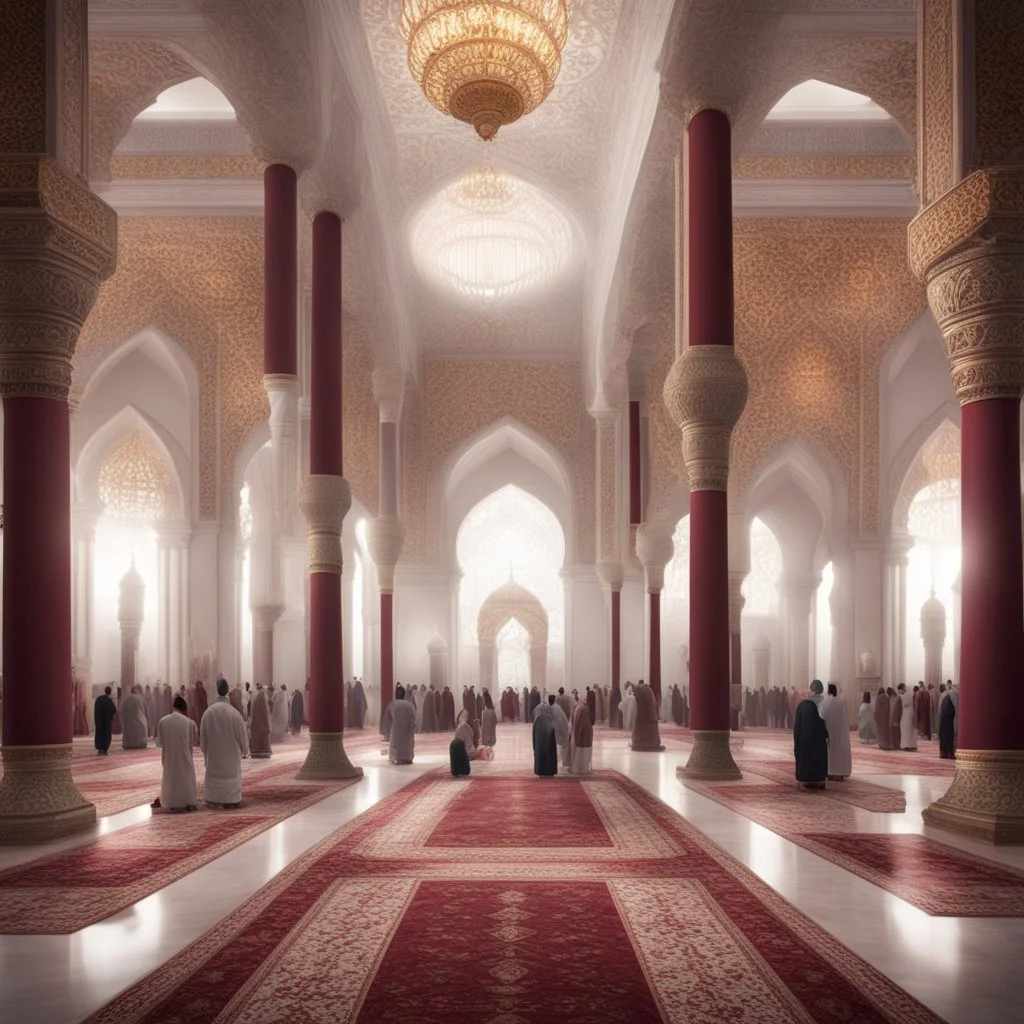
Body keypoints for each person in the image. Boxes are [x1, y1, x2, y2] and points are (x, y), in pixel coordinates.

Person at [200, 678, 250, 808]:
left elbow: (203, 739)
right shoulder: (234, 714)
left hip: (214, 760)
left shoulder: (208, 713)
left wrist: (205, 751)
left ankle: (214, 799)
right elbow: (243, 739)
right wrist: (245, 750)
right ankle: (231, 800)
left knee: (213, 780)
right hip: (231, 762)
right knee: (232, 778)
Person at [152, 695, 198, 812]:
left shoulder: (162, 721)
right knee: (185, 779)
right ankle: (187, 801)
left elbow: (159, 744)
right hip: (185, 758)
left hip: (169, 760)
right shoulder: (189, 723)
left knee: (170, 779)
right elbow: (192, 743)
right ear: (184, 708)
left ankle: (170, 801)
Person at [794, 695, 828, 789]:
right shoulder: (820, 723)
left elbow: (796, 744)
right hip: (819, 777)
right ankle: (817, 780)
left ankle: (805, 780)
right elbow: (826, 735)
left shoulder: (800, 728)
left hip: (803, 777)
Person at [819, 683, 852, 780]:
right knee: (839, 750)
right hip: (840, 731)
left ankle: (830, 771)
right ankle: (840, 771)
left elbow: (821, 716)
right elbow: (845, 717)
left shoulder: (824, 703)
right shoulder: (841, 702)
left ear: (828, 691)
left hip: (829, 731)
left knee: (830, 751)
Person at [381, 684, 416, 765]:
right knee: (407, 744)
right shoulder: (409, 704)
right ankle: (407, 758)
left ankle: (396, 758)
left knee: (396, 745)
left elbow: (387, 720)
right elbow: (413, 717)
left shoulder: (392, 704)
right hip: (407, 730)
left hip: (396, 730)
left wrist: (387, 732)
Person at [630, 680, 664, 751]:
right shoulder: (648, 690)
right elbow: (653, 704)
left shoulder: (641, 691)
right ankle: (650, 743)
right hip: (650, 717)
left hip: (642, 718)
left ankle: (642, 743)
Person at [532, 698, 557, 777]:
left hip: (538, 731)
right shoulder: (549, 709)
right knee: (550, 750)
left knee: (539, 750)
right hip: (549, 731)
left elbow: (533, 719)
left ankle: (540, 770)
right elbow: (553, 720)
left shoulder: (537, 709)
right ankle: (550, 770)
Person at [569, 698, 594, 775]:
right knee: (585, 752)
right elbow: (592, 721)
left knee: (577, 752)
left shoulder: (576, 708)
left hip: (577, 732)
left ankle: (575, 769)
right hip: (587, 734)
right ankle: (584, 770)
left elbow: (573, 722)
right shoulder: (586, 708)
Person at [120, 685, 149, 750]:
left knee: (130, 732)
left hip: (129, 720)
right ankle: (140, 743)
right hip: (140, 719)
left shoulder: (126, 699)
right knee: (140, 732)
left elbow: (122, 710)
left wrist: (124, 719)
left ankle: (129, 744)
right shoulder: (141, 698)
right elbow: (146, 710)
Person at [93, 685, 117, 756]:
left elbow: (96, 710)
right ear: (110, 692)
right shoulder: (109, 701)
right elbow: (113, 709)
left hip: (99, 721)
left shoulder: (99, 699)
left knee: (99, 734)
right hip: (106, 722)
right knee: (106, 735)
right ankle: (105, 749)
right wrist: (110, 718)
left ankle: (99, 748)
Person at [249, 684, 272, 758]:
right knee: (262, 734)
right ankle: (262, 750)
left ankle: (257, 750)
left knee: (257, 734)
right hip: (262, 721)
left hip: (256, 720)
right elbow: (265, 711)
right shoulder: (262, 695)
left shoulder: (256, 695)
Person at [551, 694, 571, 768]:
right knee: (563, 746)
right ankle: (564, 762)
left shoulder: (554, 708)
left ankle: (562, 762)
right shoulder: (557, 708)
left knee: (561, 746)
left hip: (557, 730)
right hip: (559, 730)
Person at [938, 686, 958, 759]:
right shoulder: (954, 695)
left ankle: (943, 753)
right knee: (949, 737)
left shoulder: (943, 696)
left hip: (943, 720)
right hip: (950, 721)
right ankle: (950, 753)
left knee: (944, 737)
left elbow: (940, 710)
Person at [898, 682, 917, 751]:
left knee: (906, 729)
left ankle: (906, 745)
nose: (899, 691)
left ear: (902, 689)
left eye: (900, 689)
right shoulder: (909, 694)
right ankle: (911, 744)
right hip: (909, 712)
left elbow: (904, 704)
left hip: (907, 713)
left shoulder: (905, 695)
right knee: (908, 729)